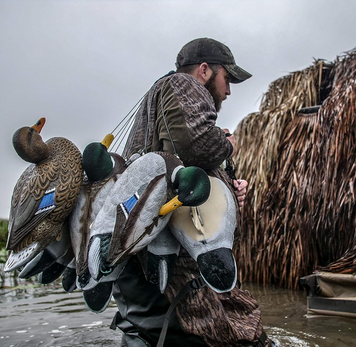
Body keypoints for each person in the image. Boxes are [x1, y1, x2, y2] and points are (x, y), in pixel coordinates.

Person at [112, 38, 275, 347]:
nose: (228, 91)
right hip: (177, 254)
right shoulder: (183, 85)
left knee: (151, 332)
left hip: (150, 252)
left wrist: (228, 185)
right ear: (204, 70)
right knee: (231, 336)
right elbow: (194, 145)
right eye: (227, 78)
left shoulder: (158, 97)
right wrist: (229, 143)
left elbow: (178, 157)